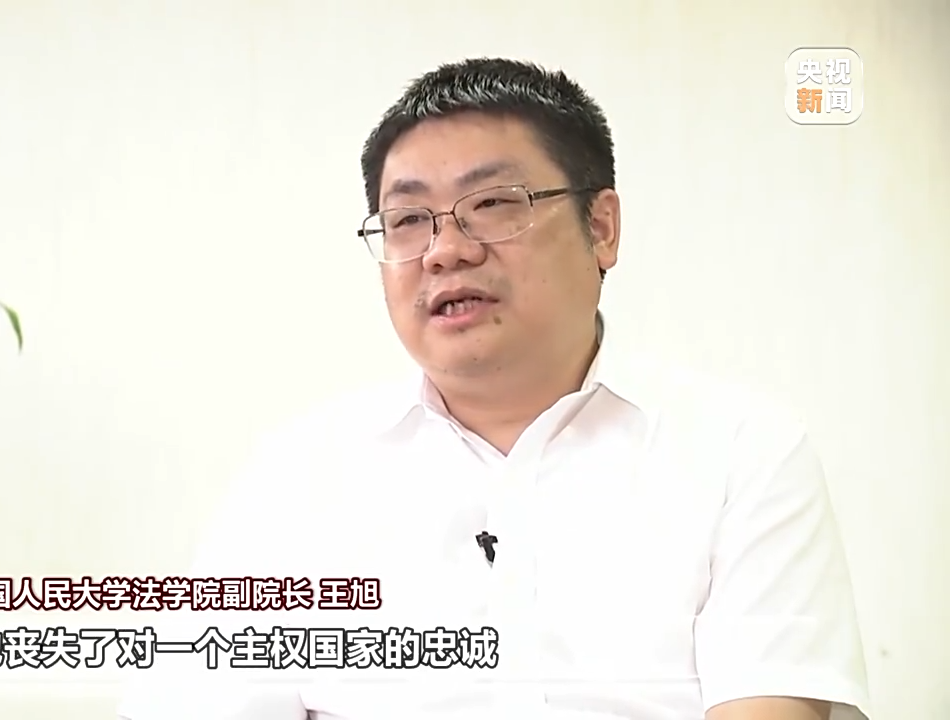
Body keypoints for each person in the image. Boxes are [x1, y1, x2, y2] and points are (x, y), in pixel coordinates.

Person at [118, 57, 869, 720]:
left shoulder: (741, 453)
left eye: (494, 204)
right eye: (407, 220)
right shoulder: (298, 475)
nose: (445, 250)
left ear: (602, 227)